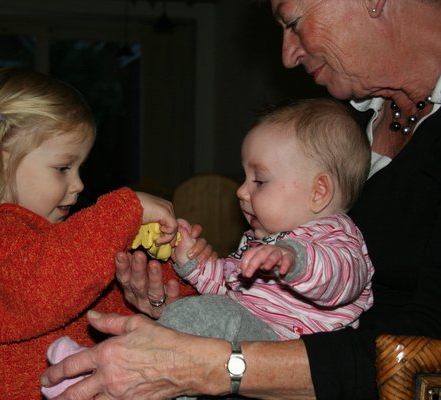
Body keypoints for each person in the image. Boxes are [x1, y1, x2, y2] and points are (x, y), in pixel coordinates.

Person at [41, 1, 441, 399]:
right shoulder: (334, 131)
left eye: (294, 22)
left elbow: (361, 293)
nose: (287, 55)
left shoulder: (323, 225)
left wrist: (216, 363)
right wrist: (183, 272)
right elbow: (233, 282)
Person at [0, 67, 206, 399]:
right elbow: (45, 286)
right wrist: (126, 209)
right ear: (1, 161)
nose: (79, 185)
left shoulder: (66, 246)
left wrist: (185, 281)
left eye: (80, 168)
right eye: (63, 168)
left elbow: (102, 304)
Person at [160, 98, 373, 345]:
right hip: (250, 331)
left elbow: (342, 279)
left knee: (208, 316)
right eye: (245, 177)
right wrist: (192, 261)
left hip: (290, 346)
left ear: (319, 192)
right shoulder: (261, 241)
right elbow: (228, 284)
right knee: (203, 311)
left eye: (259, 181)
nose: (241, 191)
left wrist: (294, 260)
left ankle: (152, 356)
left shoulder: (338, 236)